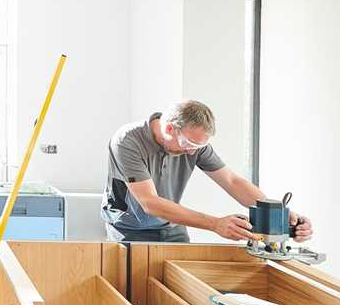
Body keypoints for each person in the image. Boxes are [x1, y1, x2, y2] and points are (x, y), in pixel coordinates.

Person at [101, 99, 313, 244]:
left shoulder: (194, 145)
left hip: (172, 227)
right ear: (168, 129)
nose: (192, 151)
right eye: (189, 143)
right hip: (131, 230)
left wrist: (277, 214)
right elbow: (150, 203)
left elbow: (231, 181)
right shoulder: (127, 142)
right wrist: (215, 224)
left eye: (199, 147)